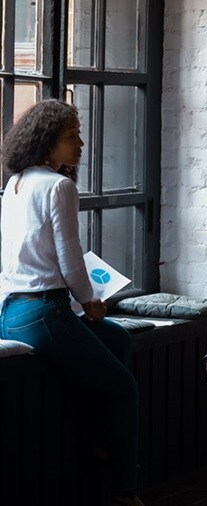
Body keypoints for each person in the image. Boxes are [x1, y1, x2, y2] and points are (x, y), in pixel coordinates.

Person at [0, 100, 141, 506]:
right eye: (70, 136)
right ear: (47, 142)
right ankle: (125, 493)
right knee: (125, 389)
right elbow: (70, 257)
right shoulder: (60, 186)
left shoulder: (17, 182)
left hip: (11, 313)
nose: (80, 143)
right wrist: (91, 301)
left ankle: (97, 438)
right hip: (46, 312)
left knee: (119, 341)